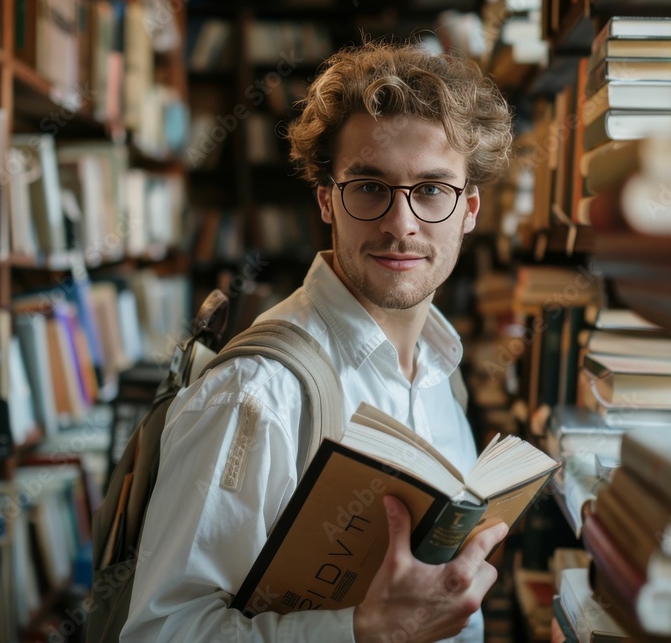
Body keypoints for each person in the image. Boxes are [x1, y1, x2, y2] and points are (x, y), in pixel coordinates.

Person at [121, 41, 514, 642]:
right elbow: (161, 633)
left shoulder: (444, 366)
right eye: (369, 186)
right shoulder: (253, 395)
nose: (401, 223)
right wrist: (362, 631)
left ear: (470, 210)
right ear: (327, 199)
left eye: (433, 189)